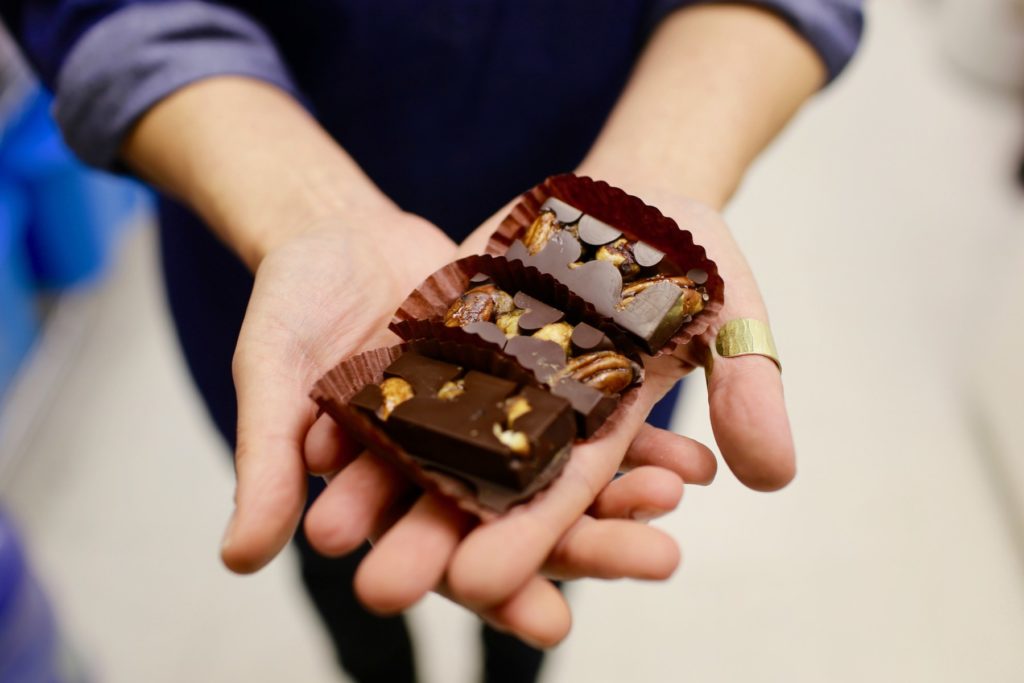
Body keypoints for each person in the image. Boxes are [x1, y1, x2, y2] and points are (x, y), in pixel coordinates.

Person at [0, 2, 863, 682]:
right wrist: (302, 205)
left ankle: (512, 674)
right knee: (332, 516)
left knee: (547, 540)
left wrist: (666, 163)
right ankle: (374, 670)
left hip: (601, 144)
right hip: (270, 233)